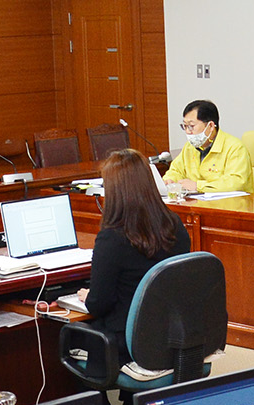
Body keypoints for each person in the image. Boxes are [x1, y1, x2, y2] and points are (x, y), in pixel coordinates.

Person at [75, 149, 191, 367]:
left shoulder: (112, 238)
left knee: (69, 333)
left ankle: (97, 401)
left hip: (129, 341)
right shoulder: (174, 224)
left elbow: (99, 304)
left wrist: (88, 296)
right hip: (173, 335)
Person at [164, 99, 254, 194]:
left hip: (231, 205)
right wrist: (170, 180)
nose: (187, 131)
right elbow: (176, 170)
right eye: (185, 126)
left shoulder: (235, 148)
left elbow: (236, 183)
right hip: (198, 204)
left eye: (191, 126)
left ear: (211, 126)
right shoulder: (189, 147)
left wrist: (197, 186)